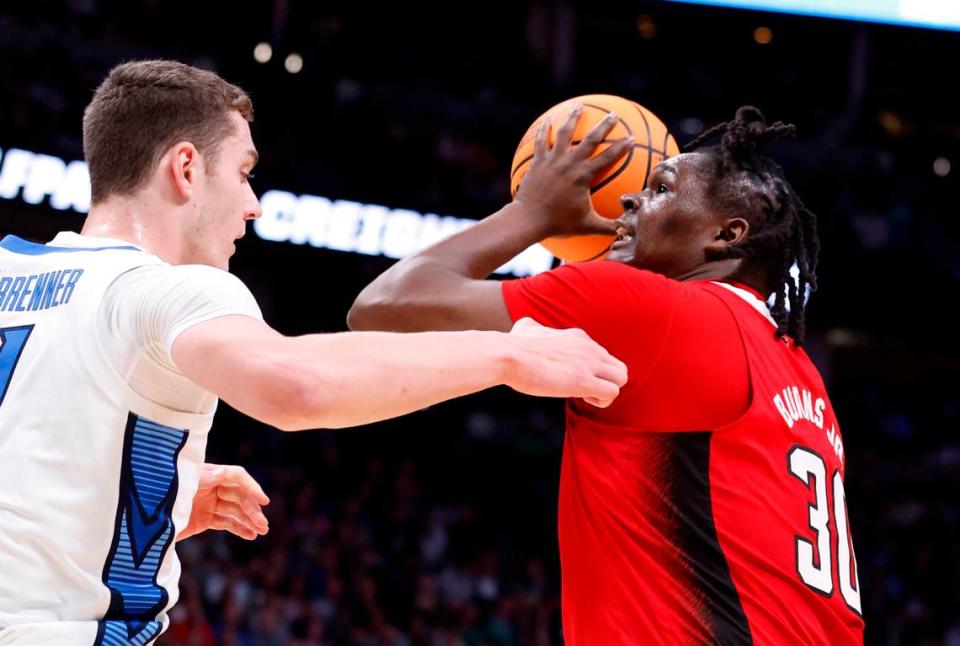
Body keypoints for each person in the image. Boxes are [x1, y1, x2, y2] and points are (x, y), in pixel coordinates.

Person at [0, 60, 627, 645]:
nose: (252, 204)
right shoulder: (168, 287)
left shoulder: (9, 268)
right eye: (244, 173)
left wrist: (121, 497)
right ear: (186, 169)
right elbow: (296, 386)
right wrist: (506, 354)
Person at [349, 105, 865, 644]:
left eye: (661, 188)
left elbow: (386, 304)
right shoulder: (801, 373)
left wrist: (529, 214)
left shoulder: (650, 308)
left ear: (726, 234)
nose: (630, 198)